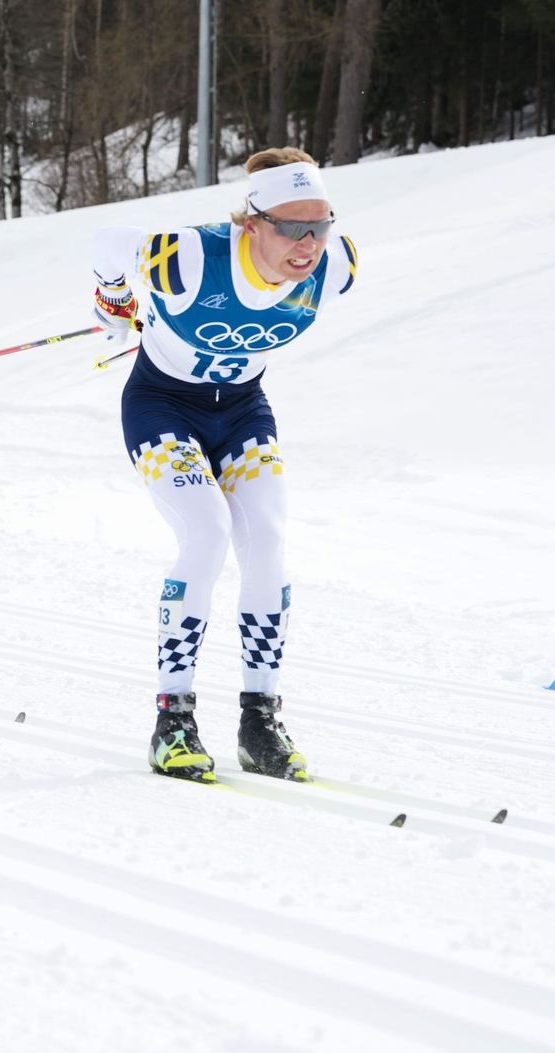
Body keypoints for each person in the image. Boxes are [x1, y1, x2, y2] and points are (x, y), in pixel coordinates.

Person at [89, 146, 358, 785]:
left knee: (266, 542)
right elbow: (106, 241)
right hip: (162, 407)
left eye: (320, 225)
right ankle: (172, 720)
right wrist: (116, 300)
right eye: (293, 228)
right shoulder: (184, 258)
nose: (310, 244)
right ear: (250, 224)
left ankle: (259, 720)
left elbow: (324, 255)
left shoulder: (338, 265)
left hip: (241, 411)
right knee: (206, 533)